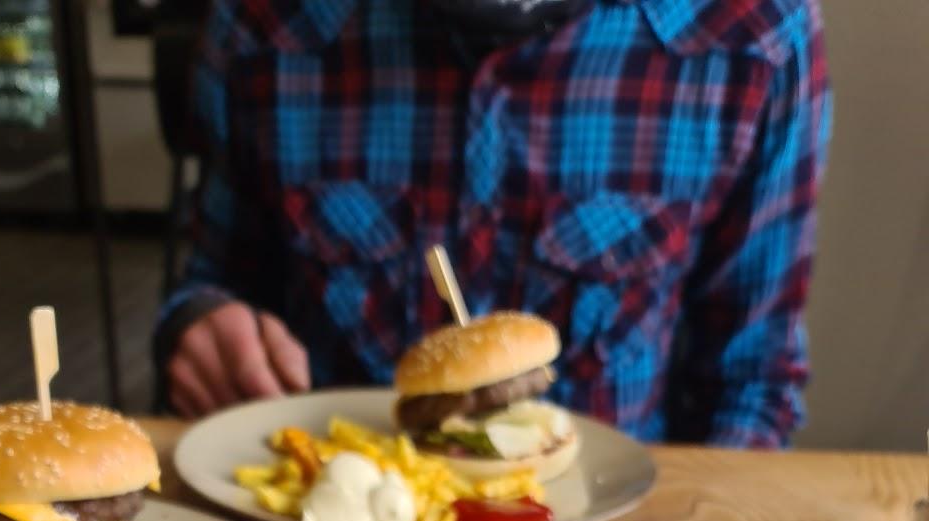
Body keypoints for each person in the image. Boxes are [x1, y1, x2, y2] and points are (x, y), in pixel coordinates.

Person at [153, 0, 831, 447]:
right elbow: (217, 282)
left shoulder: (754, 34)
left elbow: (755, 380)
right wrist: (199, 327)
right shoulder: (263, 22)